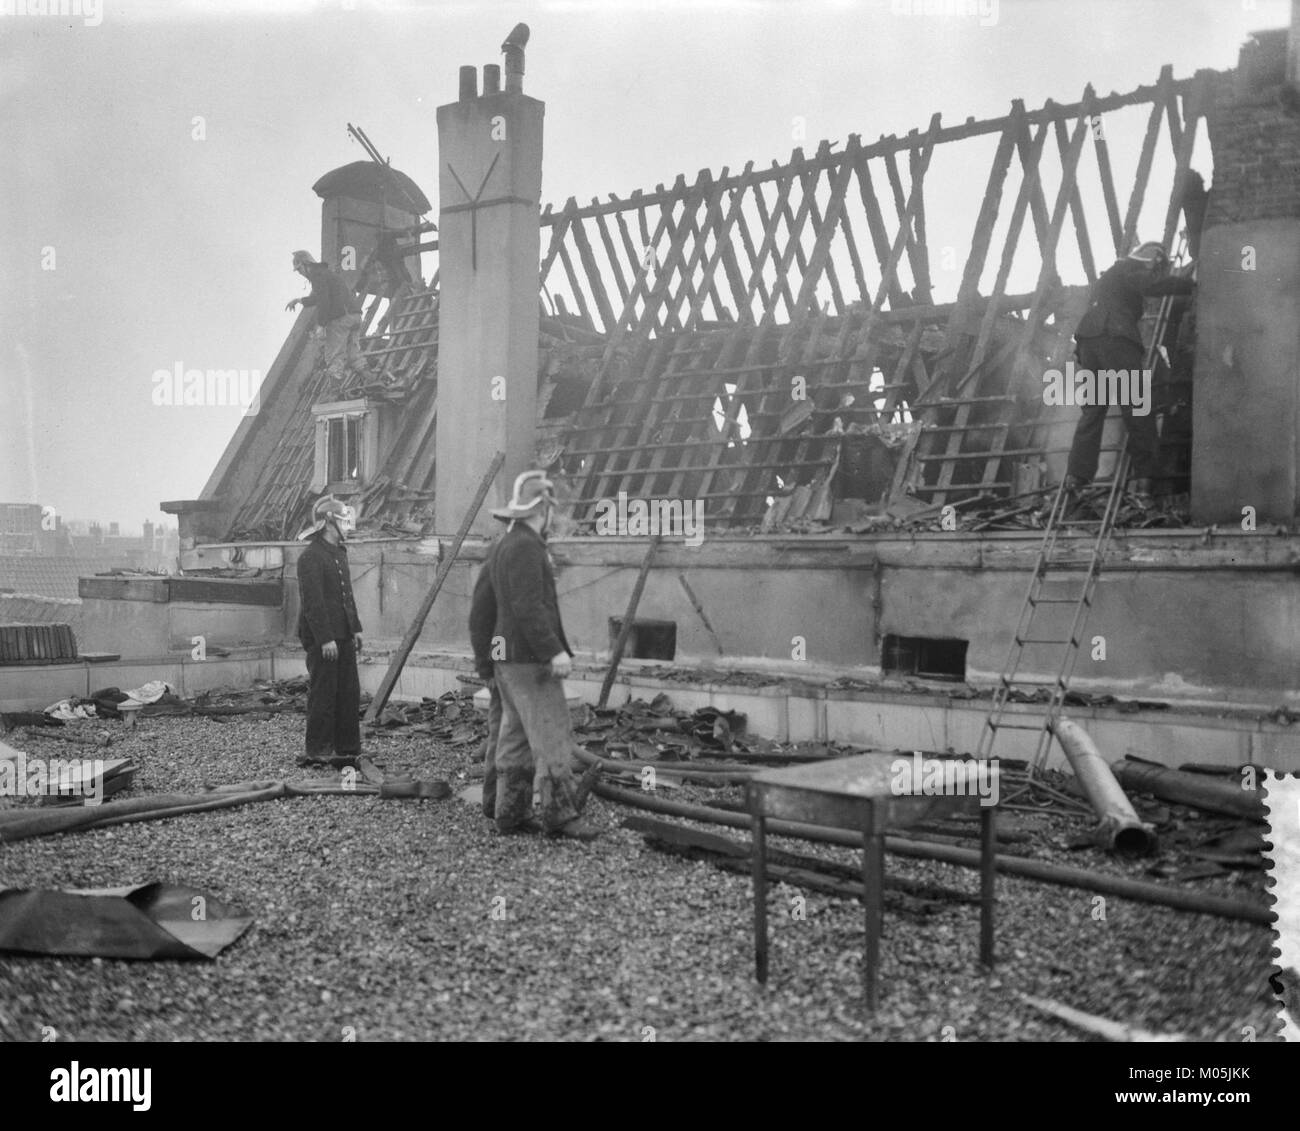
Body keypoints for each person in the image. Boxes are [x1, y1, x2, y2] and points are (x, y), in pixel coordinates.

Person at [483, 470, 599, 840]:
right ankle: (560, 815)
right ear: (541, 509)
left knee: (514, 735)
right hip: (529, 659)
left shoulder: (505, 544)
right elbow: (528, 607)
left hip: (508, 658)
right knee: (551, 734)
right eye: (551, 508)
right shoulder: (527, 547)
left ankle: (511, 813)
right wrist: (554, 651)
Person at [1063, 240, 1193, 506]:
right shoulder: (1130, 269)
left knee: (1092, 412)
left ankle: (1077, 478)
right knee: (1137, 410)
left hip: (1090, 344)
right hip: (1117, 341)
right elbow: (1150, 285)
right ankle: (1143, 485)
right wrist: (1189, 285)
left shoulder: (1111, 276)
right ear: (1152, 262)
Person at [296, 495, 363, 768]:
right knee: (324, 694)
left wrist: (355, 629)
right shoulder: (311, 557)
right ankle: (319, 749)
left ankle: (347, 747)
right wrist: (325, 638)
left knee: (349, 692)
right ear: (328, 522)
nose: (347, 526)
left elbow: (347, 596)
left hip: (344, 634)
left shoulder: (339, 553)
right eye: (342, 521)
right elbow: (314, 603)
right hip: (323, 639)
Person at [285, 250, 368, 384]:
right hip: (355, 316)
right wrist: (299, 300)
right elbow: (319, 297)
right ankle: (371, 381)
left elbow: (323, 301)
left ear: (306, 264)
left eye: (299, 269)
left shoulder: (317, 276)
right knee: (354, 356)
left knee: (334, 358)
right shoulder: (326, 273)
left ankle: (334, 394)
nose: (300, 273)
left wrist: (321, 325)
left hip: (341, 319)